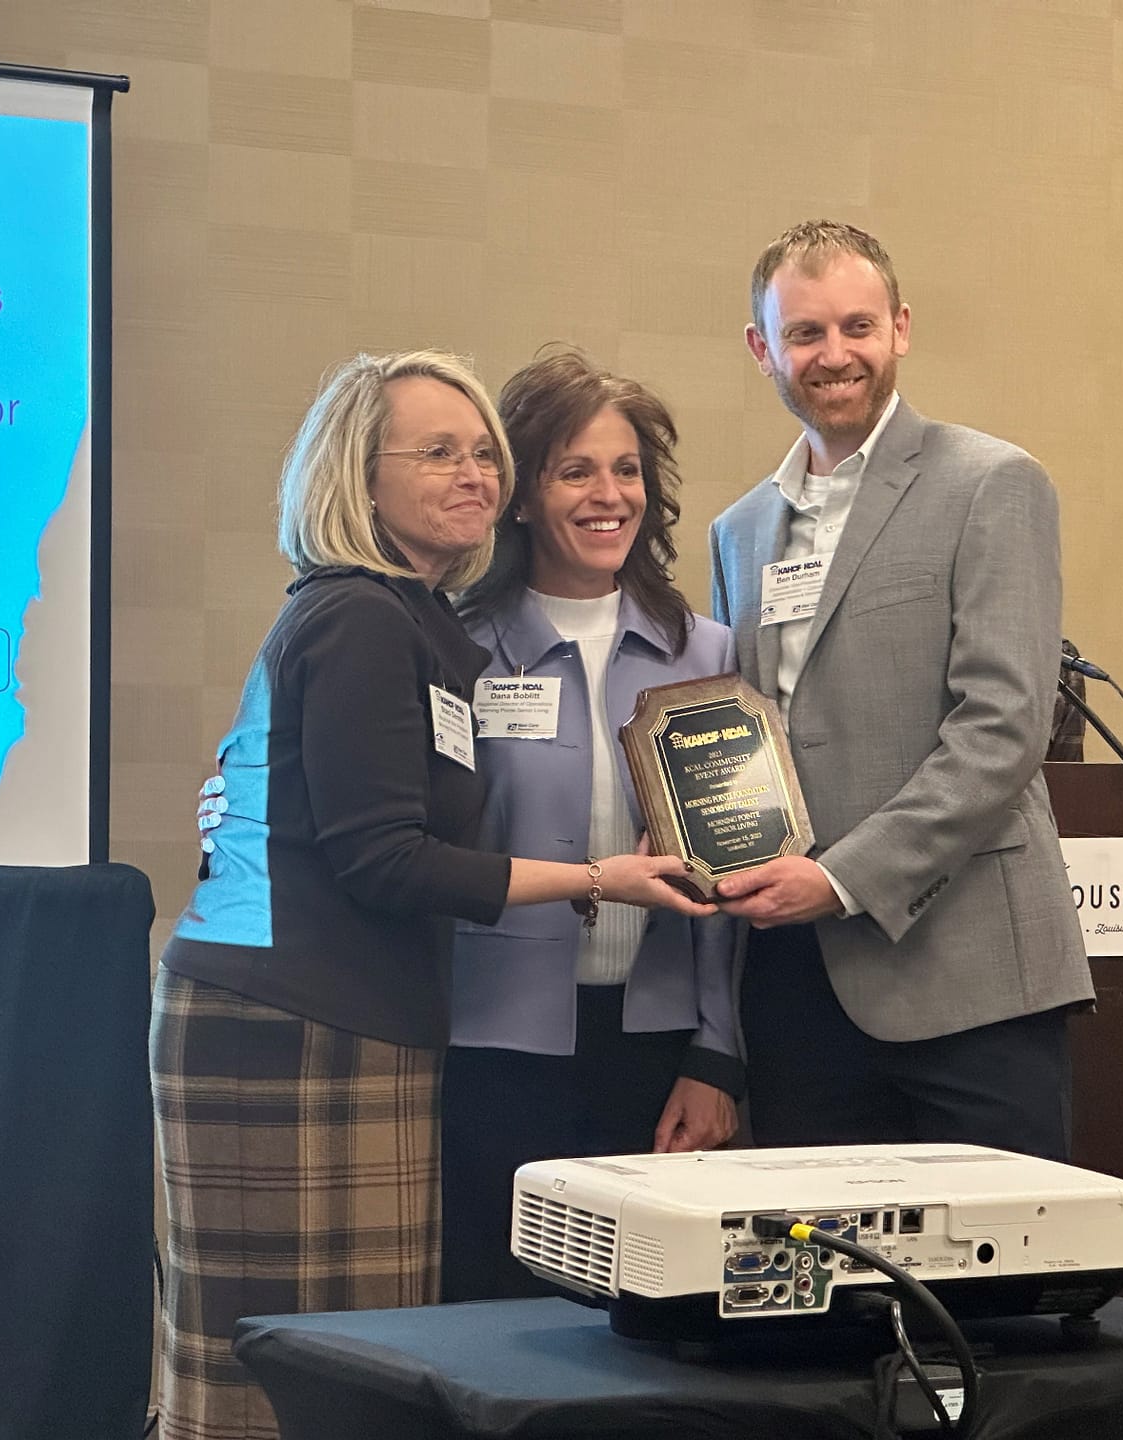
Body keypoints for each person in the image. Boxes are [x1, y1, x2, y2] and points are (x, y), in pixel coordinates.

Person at [150, 350, 709, 1440]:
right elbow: (385, 861)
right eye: (439, 452)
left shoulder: (411, 619)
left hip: (356, 1021)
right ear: (361, 480)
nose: (475, 475)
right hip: (291, 1035)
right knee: (279, 1382)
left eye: (484, 453)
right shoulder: (359, 615)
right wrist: (599, 879)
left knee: (356, 1365)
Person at [708, 221, 1094, 1157]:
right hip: (796, 989)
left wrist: (841, 880)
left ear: (901, 329)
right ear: (763, 349)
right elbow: (736, 736)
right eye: (805, 334)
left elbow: (1002, 733)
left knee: (999, 1288)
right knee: (820, 1289)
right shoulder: (740, 532)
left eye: (857, 326)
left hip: (968, 975)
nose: (834, 355)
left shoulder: (991, 483)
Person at [441, 347, 742, 1302]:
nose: (606, 494)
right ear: (521, 495)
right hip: (492, 1047)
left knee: (644, 1325)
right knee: (498, 1320)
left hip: (657, 1050)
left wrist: (717, 1059)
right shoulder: (455, 645)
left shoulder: (707, 652)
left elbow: (736, 877)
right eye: (575, 470)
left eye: (626, 470)